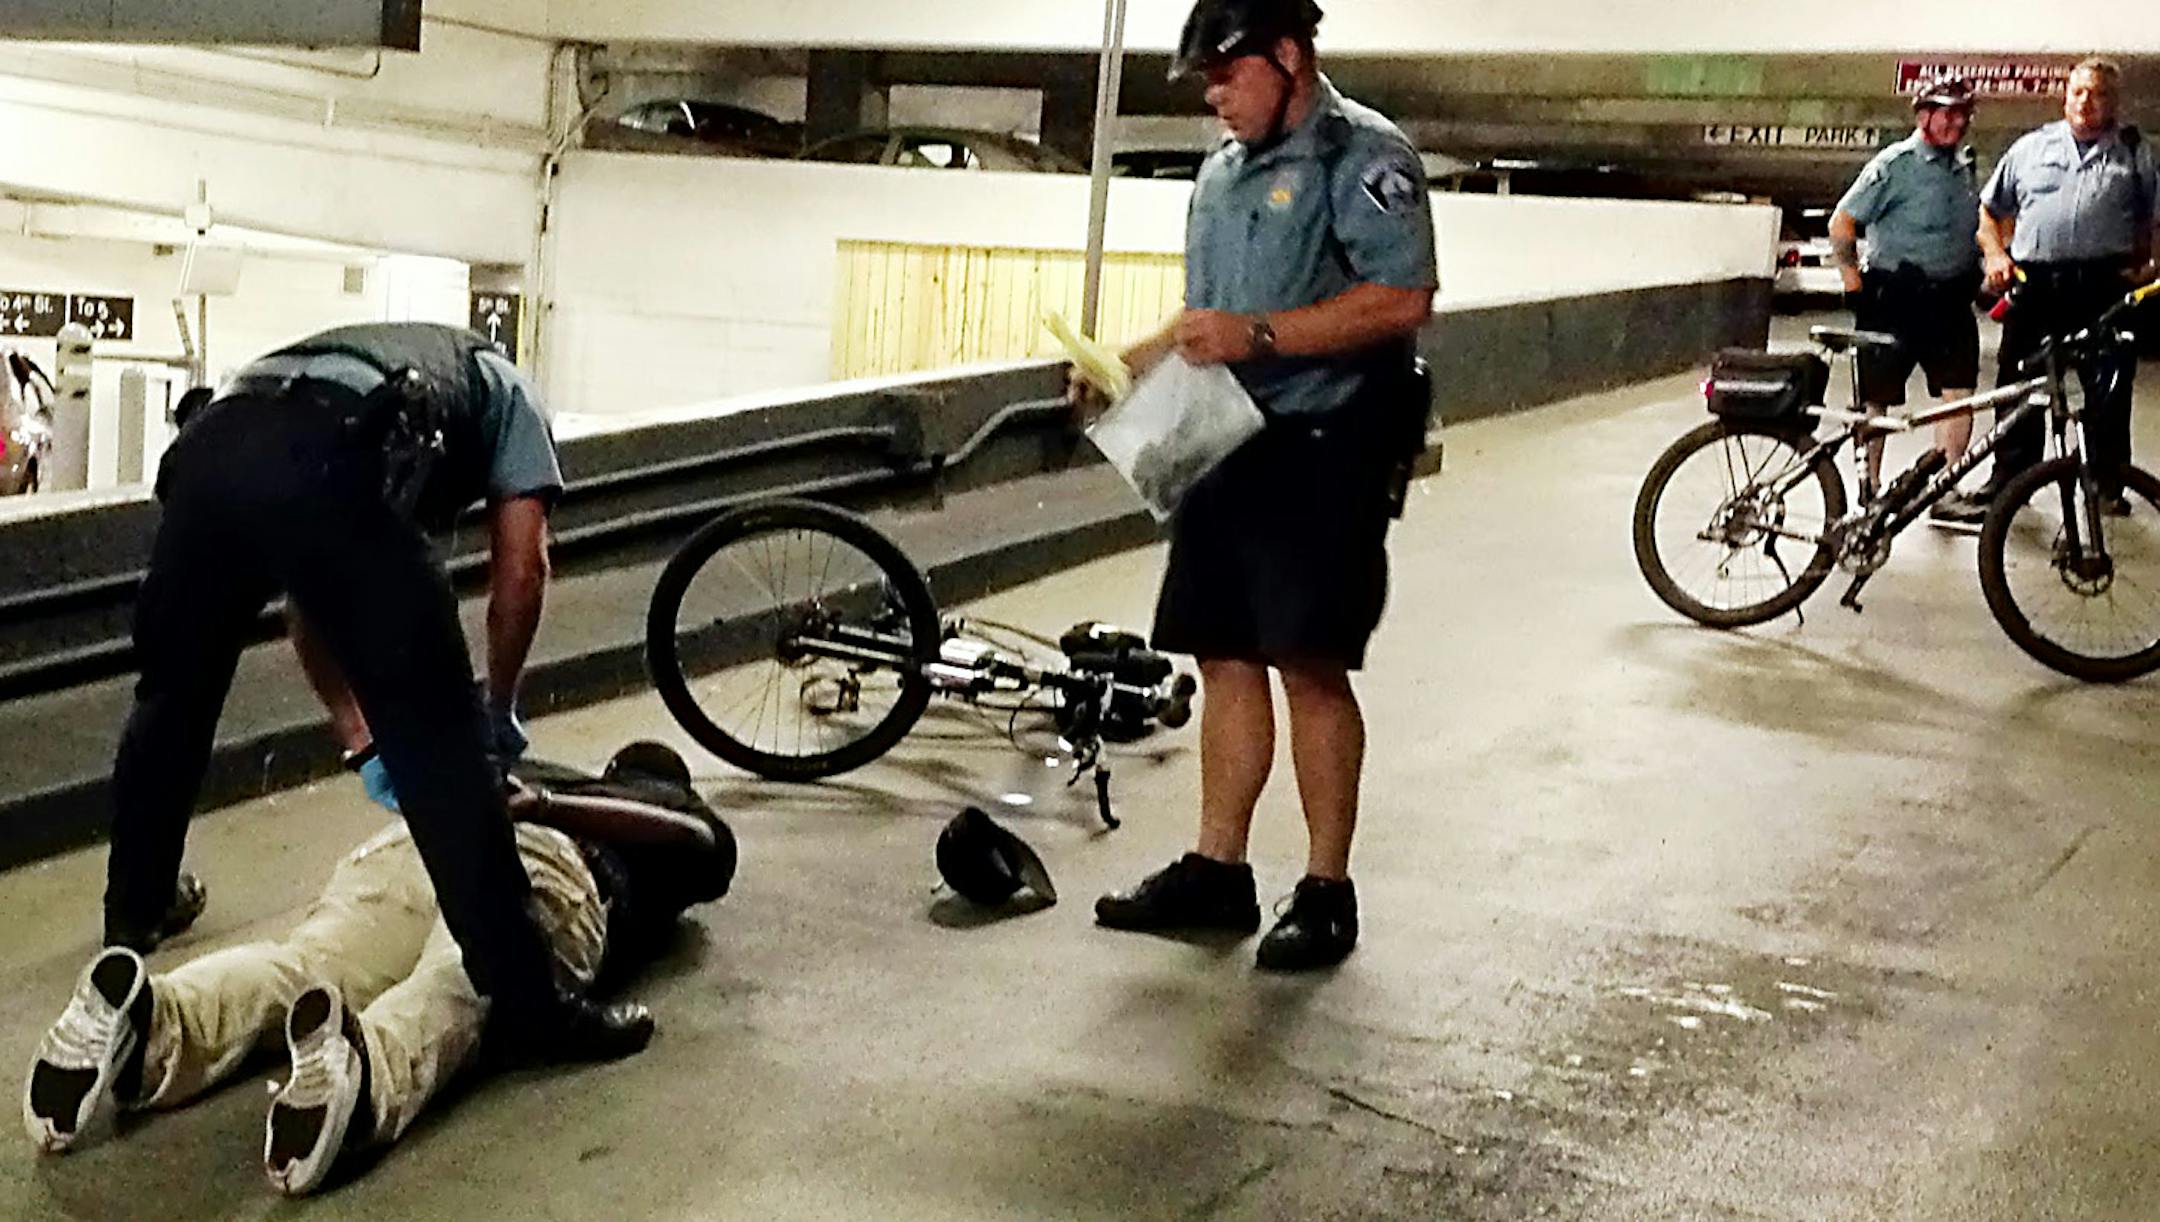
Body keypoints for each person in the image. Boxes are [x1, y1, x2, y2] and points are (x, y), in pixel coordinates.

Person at [100, 322, 647, 1061]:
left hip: (210, 451)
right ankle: (531, 1005)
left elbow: (311, 601)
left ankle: (137, 907)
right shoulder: (512, 395)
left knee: (171, 698)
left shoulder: (389, 369)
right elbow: (522, 567)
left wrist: (358, 735)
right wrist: (494, 711)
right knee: (442, 746)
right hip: (327, 448)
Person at [1075, 0, 1437, 971]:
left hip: (1327, 442)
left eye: (1229, 74)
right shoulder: (1223, 171)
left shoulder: (1364, 159)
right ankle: (1217, 869)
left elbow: (1401, 298)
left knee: (1308, 660)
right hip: (1222, 435)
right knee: (1224, 651)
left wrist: (1262, 338)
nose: (1216, 95)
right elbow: (1213, 315)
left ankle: (1326, 889)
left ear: (1288, 55)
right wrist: (1135, 357)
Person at [25, 743, 733, 1197]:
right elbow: (698, 841)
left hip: (416, 843)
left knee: (306, 963)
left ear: (612, 767)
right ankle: (360, 1076)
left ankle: (155, 1021)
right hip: (550, 864)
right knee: (460, 980)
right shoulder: (661, 807)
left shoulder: (530, 763)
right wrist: (551, 806)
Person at [1971, 57, 2160, 517]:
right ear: (2065, 95)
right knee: (2019, 381)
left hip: (2102, 284)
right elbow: (1988, 213)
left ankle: (2106, 482)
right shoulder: (2031, 148)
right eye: (2078, 91)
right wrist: (1996, 255)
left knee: (2108, 383)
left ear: (2113, 102)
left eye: (2097, 93)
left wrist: (2154, 262)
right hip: (2036, 283)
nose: (2086, 101)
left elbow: (2156, 217)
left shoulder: (2135, 152)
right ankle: (2011, 479)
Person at [1829, 78, 1986, 521]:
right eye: (1947, 112)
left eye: (1963, 114)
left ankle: (1946, 490)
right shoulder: (1894, 164)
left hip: (1950, 298)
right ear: (1923, 116)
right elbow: (1842, 222)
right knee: (1876, 398)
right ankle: (1869, 490)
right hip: (1894, 295)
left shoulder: (1964, 165)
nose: (1957, 122)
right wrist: (1851, 280)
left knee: (1959, 396)